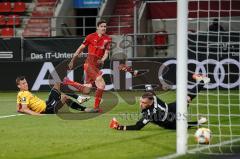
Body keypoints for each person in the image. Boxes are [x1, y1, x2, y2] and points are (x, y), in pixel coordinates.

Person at [109, 74, 210, 130]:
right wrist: (133, 72)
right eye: (140, 101)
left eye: (143, 102)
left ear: (150, 102)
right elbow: (145, 81)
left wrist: (119, 127)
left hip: (170, 114)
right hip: (169, 115)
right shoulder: (150, 104)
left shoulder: (151, 106)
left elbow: (138, 126)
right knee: (186, 104)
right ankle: (203, 81)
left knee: (186, 104)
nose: (140, 104)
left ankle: (202, 81)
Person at [64, 19, 112, 113]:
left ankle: (68, 81)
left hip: (97, 67)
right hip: (89, 64)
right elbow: (80, 49)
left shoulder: (108, 39)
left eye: (105, 26)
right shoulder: (90, 37)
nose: (103, 28)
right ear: (97, 27)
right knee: (101, 84)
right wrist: (72, 60)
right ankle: (96, 107)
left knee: (87, 89)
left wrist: (102, 59)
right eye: (101, 26)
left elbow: (106, 53)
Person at [16, 76, 91, 115]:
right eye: (23, 83)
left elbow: (20, 108)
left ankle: (79, 98)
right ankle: (83, 107)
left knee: (58, 83)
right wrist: (36, 114)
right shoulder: (24, 94)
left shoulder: (22, 94)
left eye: (25, 82)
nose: (26, 84)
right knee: (64, 97)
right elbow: (24, 108)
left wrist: (20, 110)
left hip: (47, 103)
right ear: (19, 86)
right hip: (48, 109)